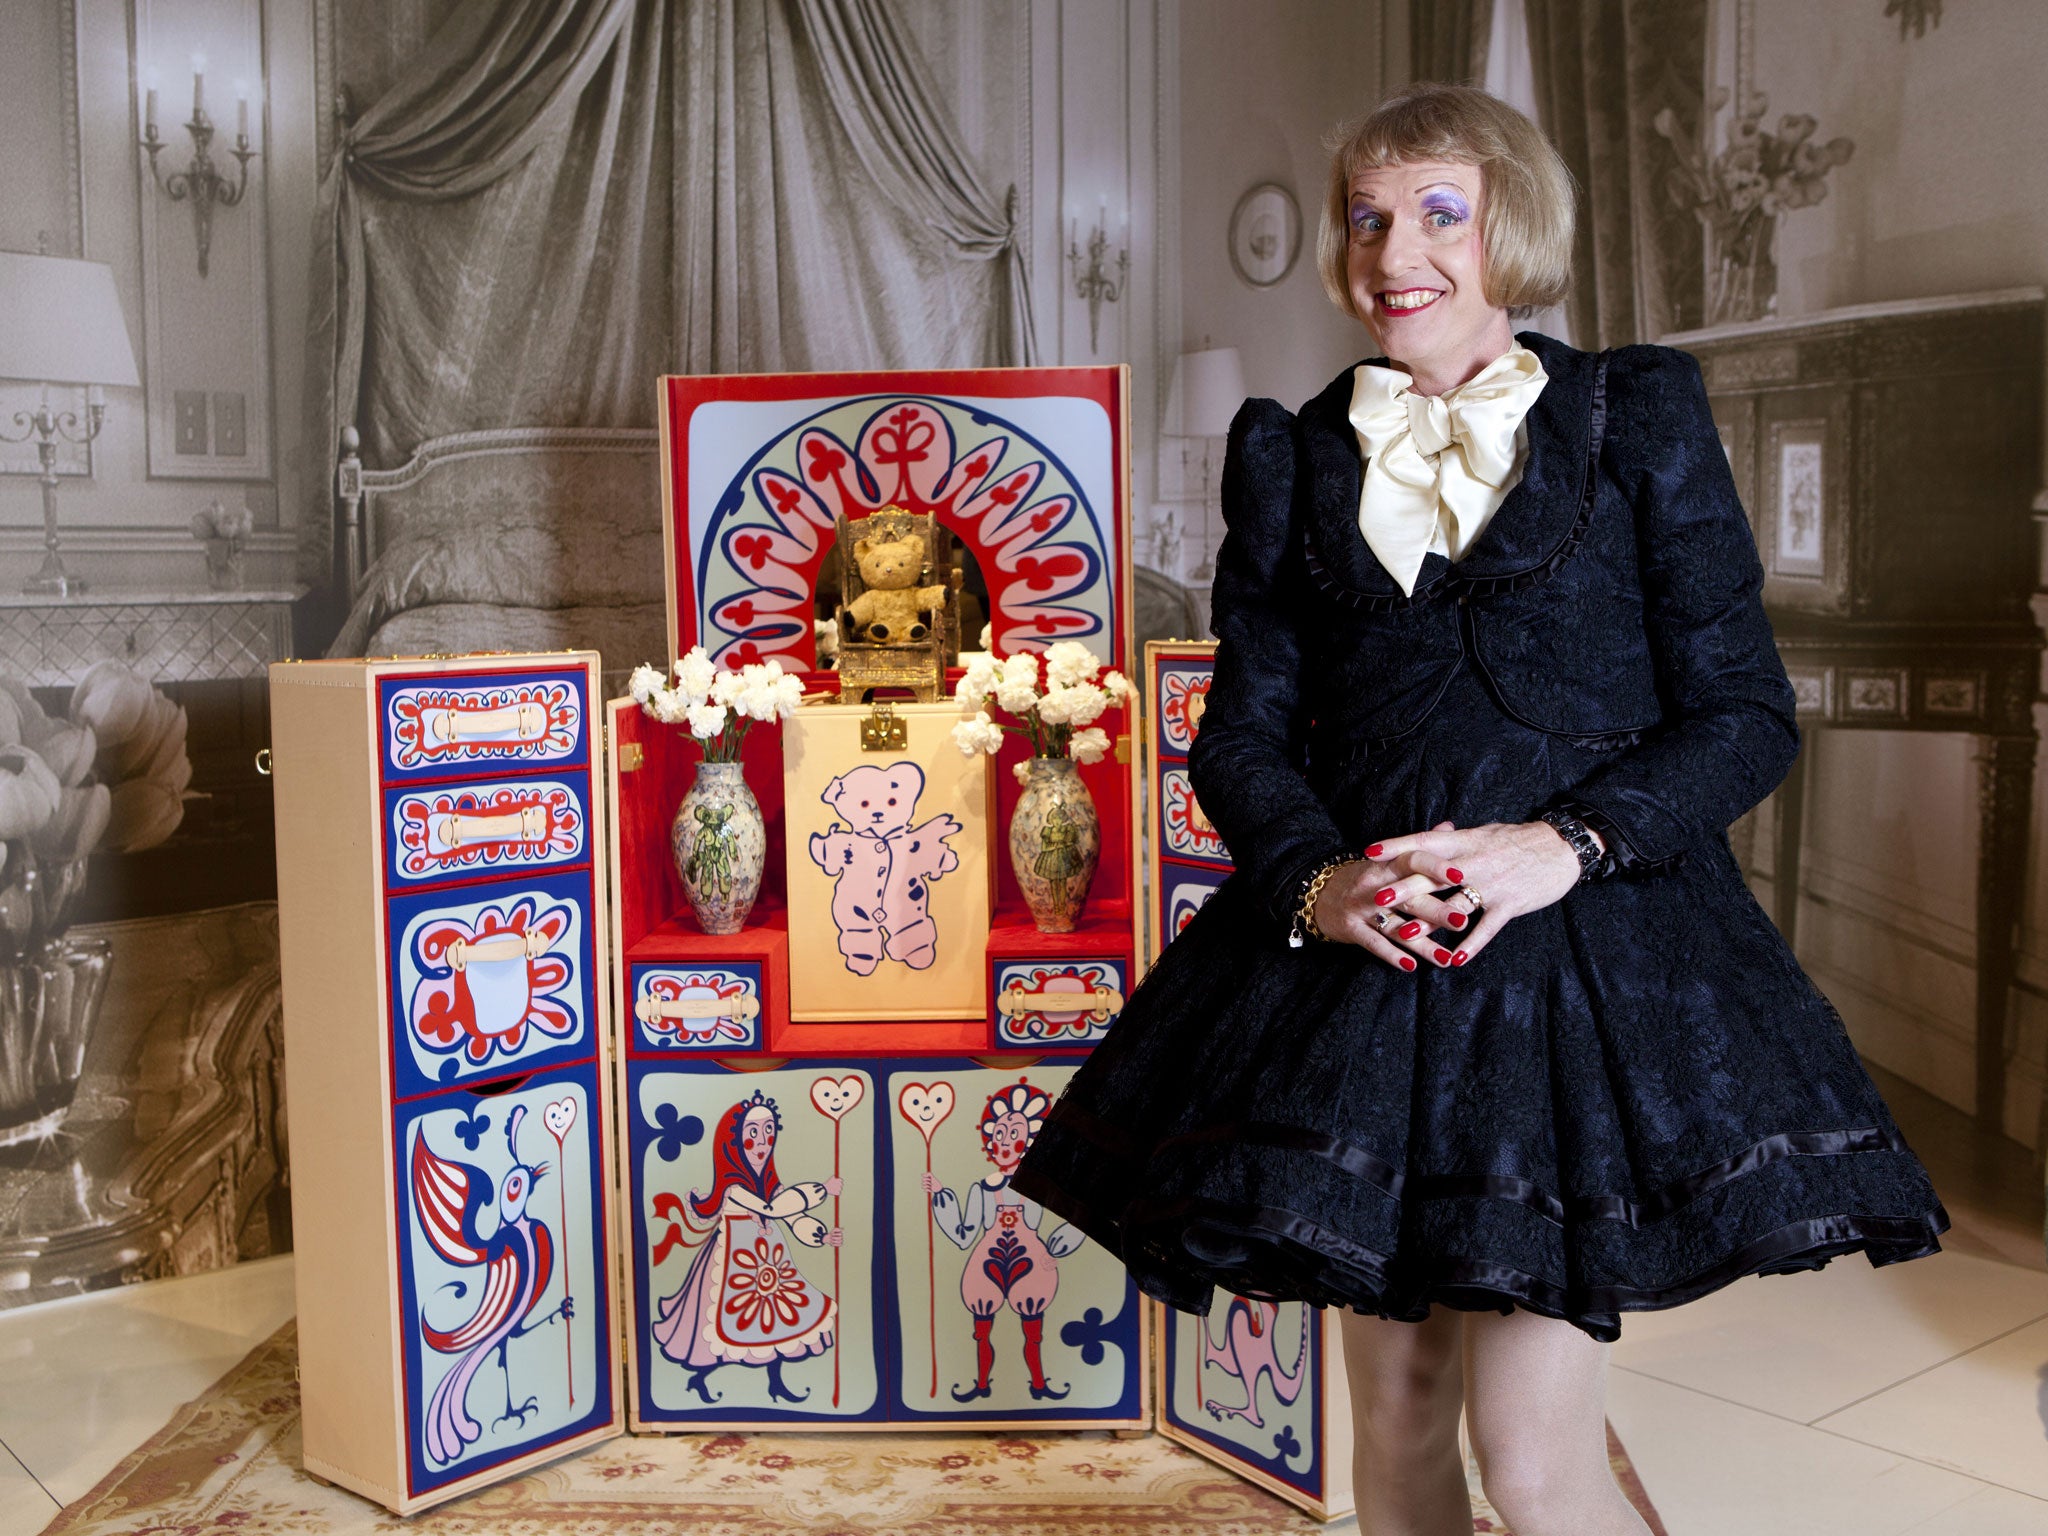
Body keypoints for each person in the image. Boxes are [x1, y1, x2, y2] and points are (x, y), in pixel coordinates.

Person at [1010, 82, 1948, 1536]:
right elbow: (1242, 736)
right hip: (1357, 984)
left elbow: (1746, 715)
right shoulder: (1290, 452)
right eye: (1370, 217)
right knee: (1392, 1430)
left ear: (1518, 226)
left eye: (1441, 212)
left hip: (1583, 980)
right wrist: (1320, 885)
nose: (1397, 252)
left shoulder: (1635, 415)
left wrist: (1560, 844)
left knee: (1525, 1453)